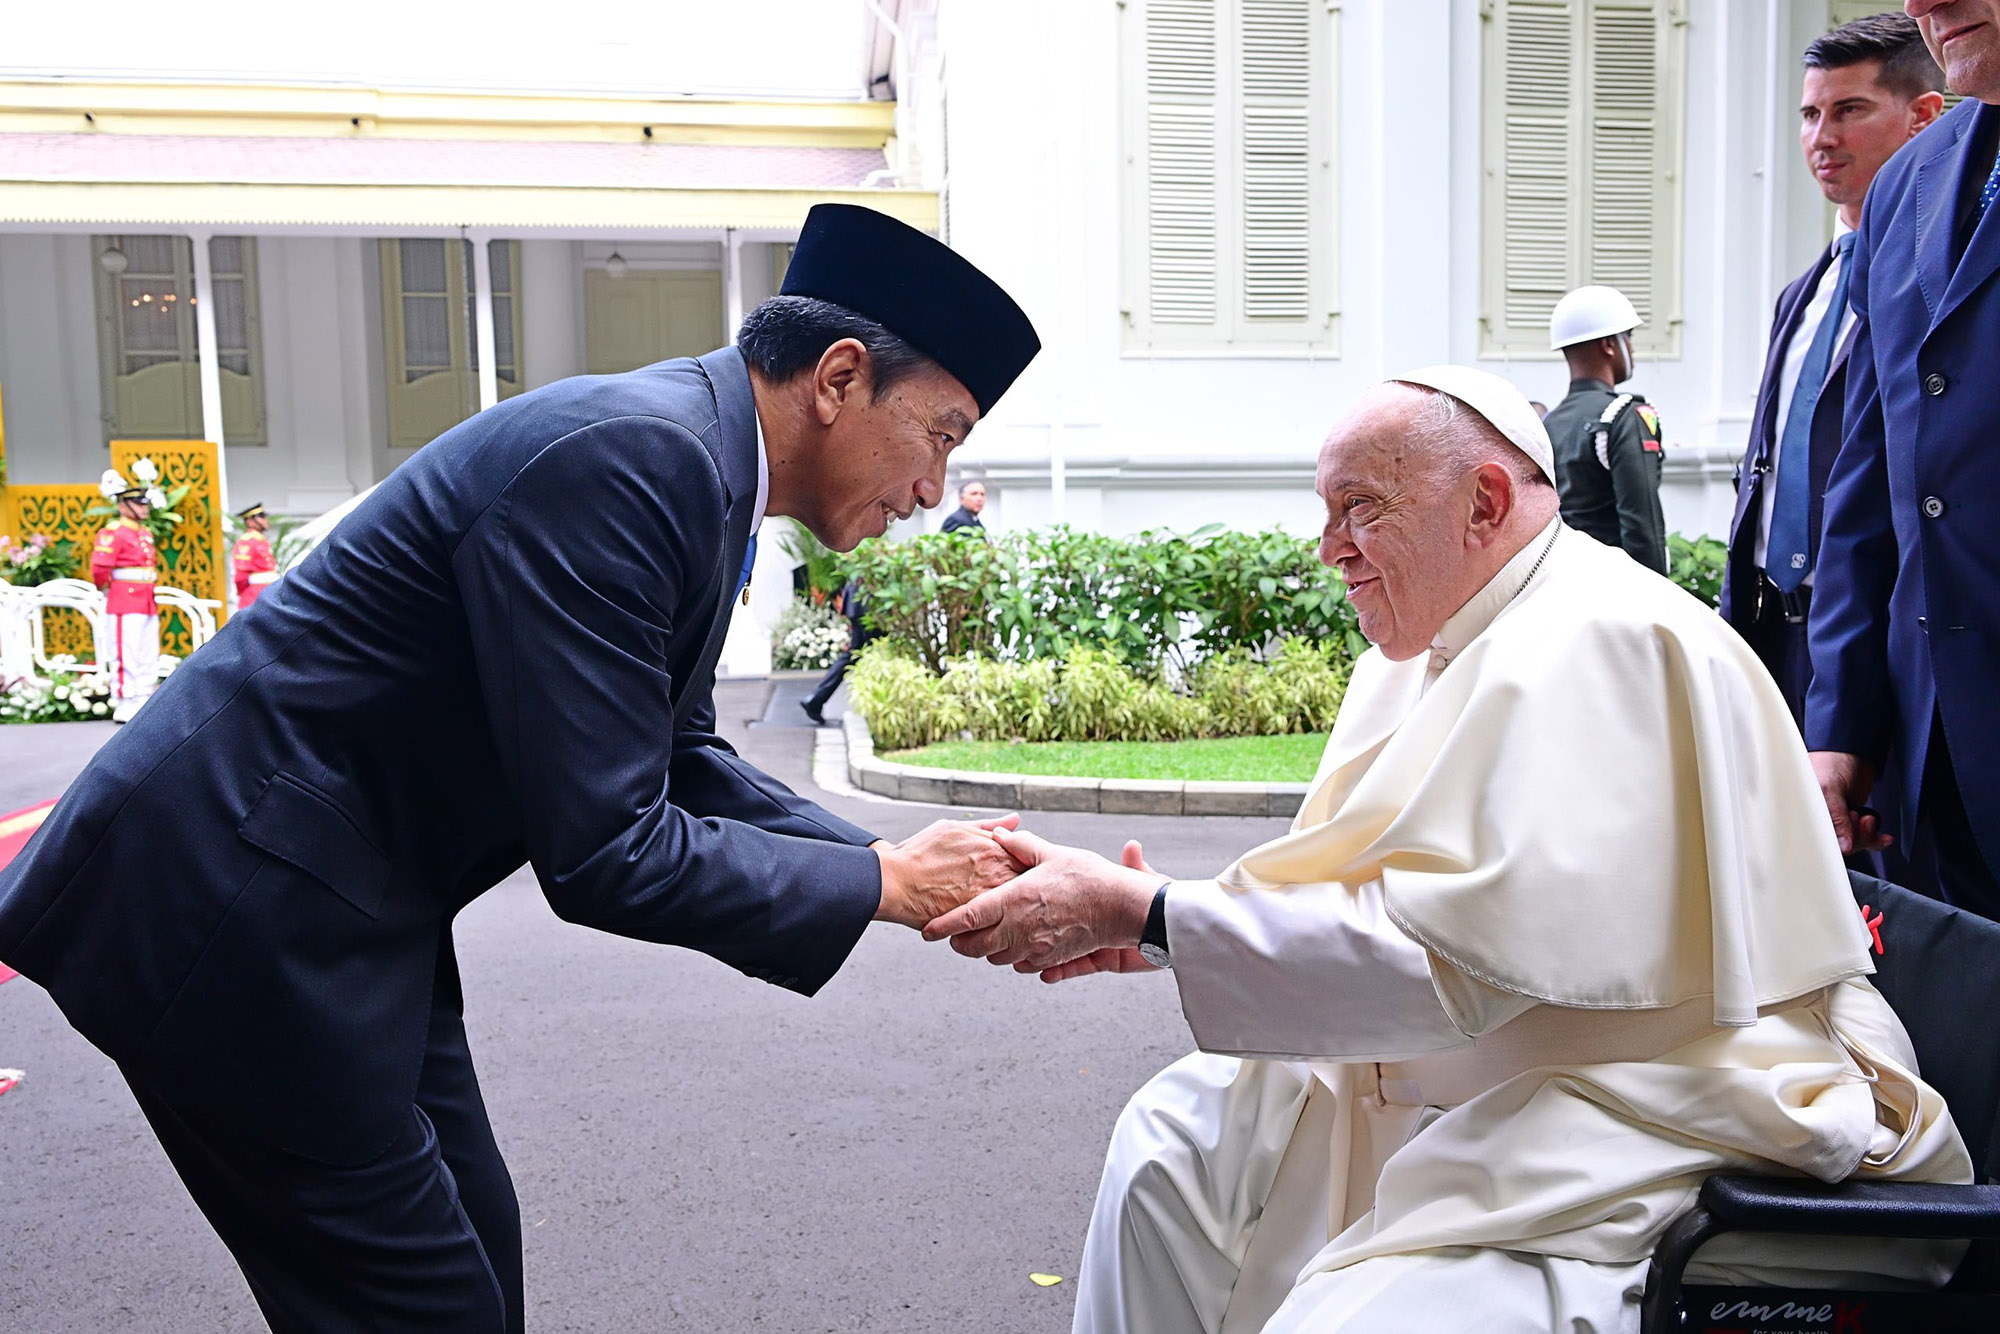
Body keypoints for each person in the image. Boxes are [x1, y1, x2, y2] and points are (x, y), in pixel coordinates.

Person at [0, 203, 1038, 1332]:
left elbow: (677, 751)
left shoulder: (695, 457)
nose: (935, 487)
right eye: (941, 434)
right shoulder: (637, 458)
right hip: (229, 909)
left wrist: (903, 859)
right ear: (838, 378)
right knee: (425, 1306)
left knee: (475, 1258)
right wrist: (887, 886)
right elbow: (607, 851)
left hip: (341, 903)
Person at [928, 367, 1970, 1333]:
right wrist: (1165, 927)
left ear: (1482, 502)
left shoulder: (1599, 641)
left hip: (1643, 1089)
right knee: (1176, 1136)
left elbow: (1457, 957)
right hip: (1475, 1062)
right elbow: (1368, 895)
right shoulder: (1437, 638)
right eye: (1324, 512)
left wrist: (1149, 914)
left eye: (1360, 508)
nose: (1327, 547)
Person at [1809, 0, 2000, 921]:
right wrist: (1842, 722)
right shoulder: (1907, 184)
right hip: (1935, 751)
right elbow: (1873, 465)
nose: (1927, 4)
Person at [1722, 14, 1944, 728]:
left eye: (1850, 110)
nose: (1822, 137)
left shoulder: (1945, 283)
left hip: (1887, 641)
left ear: (1922, 117)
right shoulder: (1803, 293)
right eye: (1811, 114)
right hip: (1771, 633)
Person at [1541, 285, 1668, 572]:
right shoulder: (1623, 415)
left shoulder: (1550, 423)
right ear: (1610, 345)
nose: (1632, 348)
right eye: (1629, 337)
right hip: (1616, 589)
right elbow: (1641, 525)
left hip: (1561, 582)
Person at [88, 468, 161, 723]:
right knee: (125, 649)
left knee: (146, 650)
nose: (144, 508)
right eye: (137, 503)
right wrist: (108, 589)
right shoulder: (113, 532)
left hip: (146, 598)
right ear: (122, 505)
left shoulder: (144, 533)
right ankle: (125, 699)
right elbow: (99, 569)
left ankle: (142, 694)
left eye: (144, 503)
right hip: (124, 598)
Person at [800, 577, 874, 726]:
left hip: (858, 600)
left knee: (855, 653)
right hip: (864, 602)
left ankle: (816, 699)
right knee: (862, 652)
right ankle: (816, 699)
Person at [232, 502, 280, 611]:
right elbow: (241, 576)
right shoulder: (246, 541)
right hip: (255, 595)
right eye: (261, 517)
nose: (265, 520)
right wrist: (244, 594)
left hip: (270, 591)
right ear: (250, 521)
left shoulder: (261, 540)